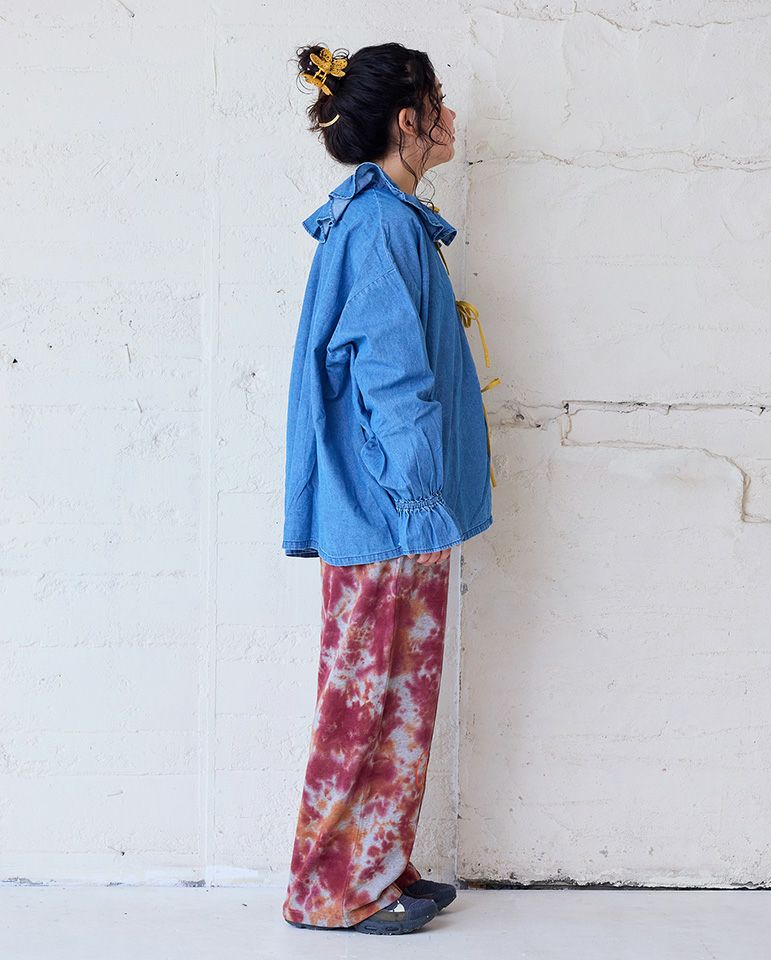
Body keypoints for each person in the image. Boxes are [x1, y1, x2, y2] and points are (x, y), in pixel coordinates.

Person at [281, 41, 500, 936]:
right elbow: (390, 377)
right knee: (364, 701)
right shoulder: (379, 227)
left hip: (396, 507)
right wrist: (416, 503)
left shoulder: (389, 219)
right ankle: (326, 890)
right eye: (438, 102)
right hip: (388, 511)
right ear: (408, 121)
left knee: (399, 697)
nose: (451, 117)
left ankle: (375, 864)